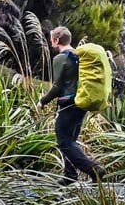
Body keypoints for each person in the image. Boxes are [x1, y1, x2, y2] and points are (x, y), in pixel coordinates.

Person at [39, 26, 101, 185]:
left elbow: (57, 86)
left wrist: (43, 100)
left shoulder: (60, 58)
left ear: (56, 40)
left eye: (51, 38)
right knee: (70, 140)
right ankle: (69, 175)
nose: (50, 41)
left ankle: (95, 170)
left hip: (68, 103)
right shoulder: (80, 56)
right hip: (81, 102)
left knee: (64, 141)